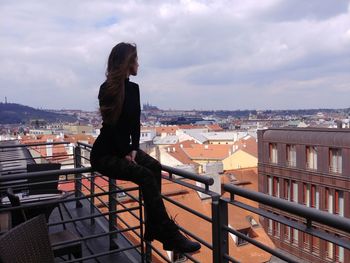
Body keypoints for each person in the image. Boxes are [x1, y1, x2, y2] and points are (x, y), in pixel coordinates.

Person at [90, 42, 201, 254]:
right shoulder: (107, 89)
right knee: (145, 176)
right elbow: (111, 126)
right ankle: (168, 233)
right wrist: (124, 153)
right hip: (105, 153)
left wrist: (133, 148)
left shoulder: (134, 89)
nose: (138, 64)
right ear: (126, 63)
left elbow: (134, 124)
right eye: (135, 60)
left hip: (124, 149)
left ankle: (153, 226)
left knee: (155, 167)